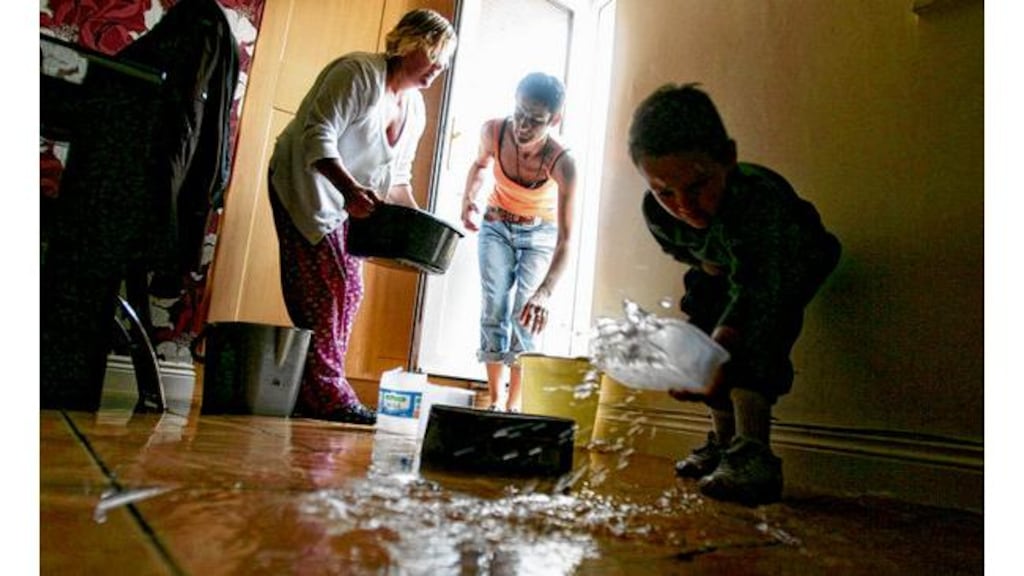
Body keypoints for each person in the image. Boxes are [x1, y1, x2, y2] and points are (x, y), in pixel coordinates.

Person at [627, 83, 841, 506]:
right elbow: (704, 266)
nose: (683, 204)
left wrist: (727, 339)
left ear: (728, 157)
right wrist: (701, 345)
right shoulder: (658, 215)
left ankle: (753, 452)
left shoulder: (758, 199)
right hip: (725, 264)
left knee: (758, 331)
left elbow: (761, 281)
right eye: (664, 191)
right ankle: (723, 444)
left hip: (794, 256)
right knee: (705, 328)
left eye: (697, 185)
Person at [267, 9, 457, 425]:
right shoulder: (356, 73)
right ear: (408, 43)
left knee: (349, 292)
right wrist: (350, 189)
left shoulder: (416, 109)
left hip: (348, 203)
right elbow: (317, 134)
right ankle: (326, 394)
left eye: (445, 61)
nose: (438, 68)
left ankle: (315, 391)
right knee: (329, 288)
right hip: (305, 185)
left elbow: (397, 178)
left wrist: (420, 225)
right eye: (433, 54)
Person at [460, 73, 578, 412]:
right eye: (519, 113)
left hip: (540, 234)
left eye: (535, 121)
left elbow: (567, 240)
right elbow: (480, 165)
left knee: (526, 313)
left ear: (554, 119)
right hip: (496, 225)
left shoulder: (562, 162)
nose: (523, 126)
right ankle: (495, 400)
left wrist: (545, 292)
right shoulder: (493, 131)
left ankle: (515, 404)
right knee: (494, 306)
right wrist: (468, 200)